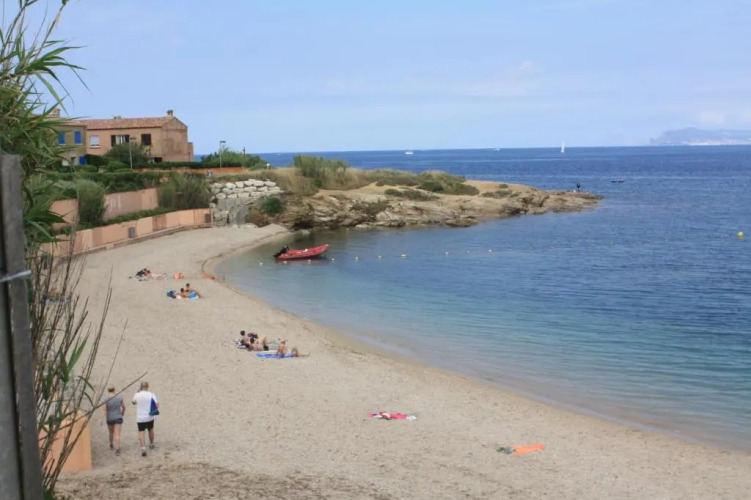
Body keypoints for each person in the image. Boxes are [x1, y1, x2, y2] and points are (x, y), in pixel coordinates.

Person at [132, 381, 159, 457]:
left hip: (140, 418)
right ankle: (151, 444)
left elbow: (133, 402)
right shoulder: (151, 394)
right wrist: (154, 409)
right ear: (147, 387)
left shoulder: (137, 395)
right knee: (151, 430)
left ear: (141, 387)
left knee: (141, 432)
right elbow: (157, 404)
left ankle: (143, 448)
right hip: (149, 416)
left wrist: (137, 392)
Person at [102, 386, 125, 456]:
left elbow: (104, 410)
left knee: (111, 432)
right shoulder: (119, 397)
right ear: (114, 390)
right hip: (118, 417)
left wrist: (101, 419)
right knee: (117, 434)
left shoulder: (106, 399)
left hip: (109, 418)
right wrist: (122, 412)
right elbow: (123, 407)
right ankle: (117, 449)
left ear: (108, 390)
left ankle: (111, 444)